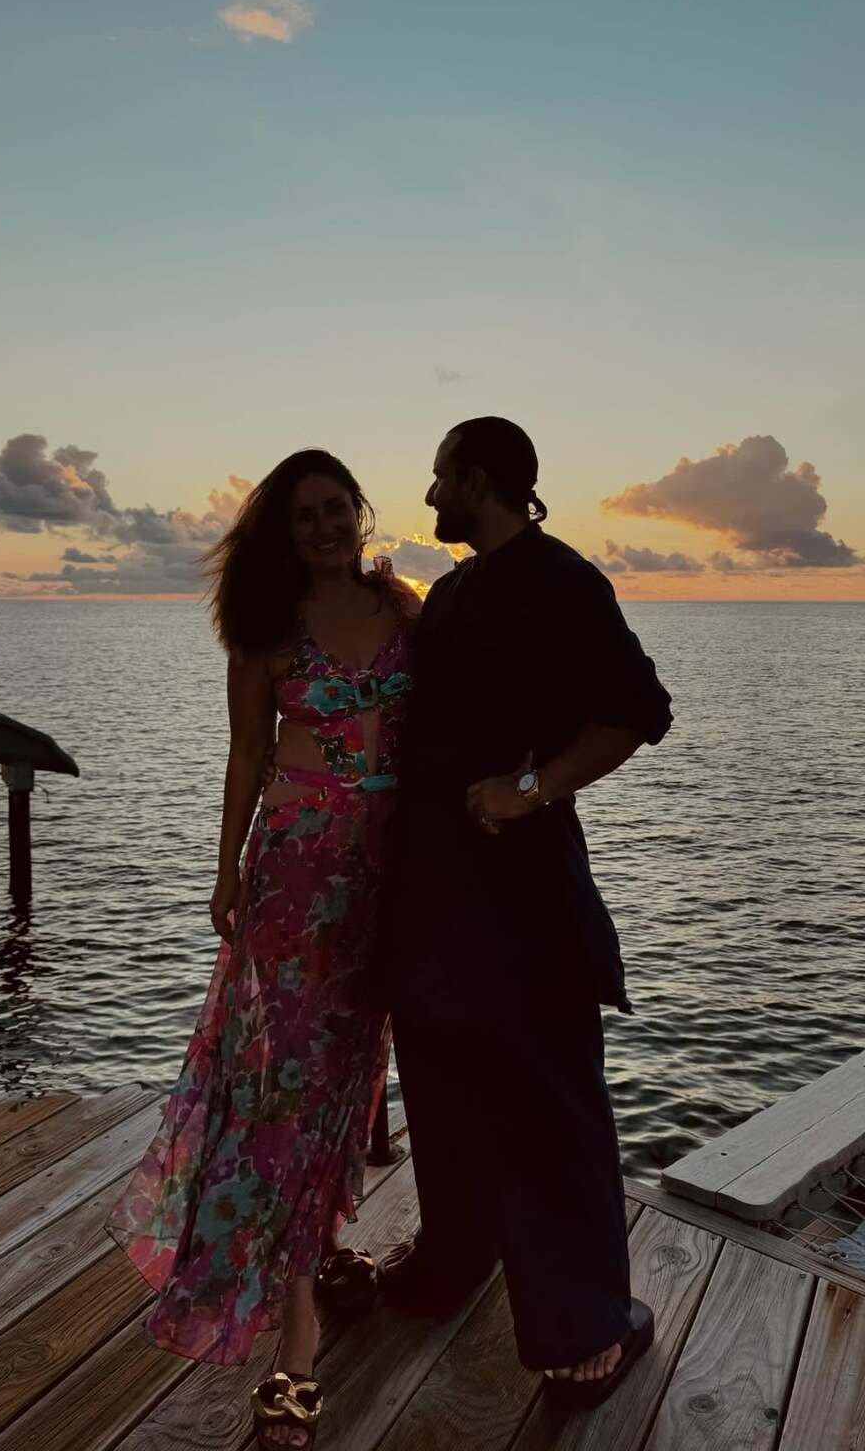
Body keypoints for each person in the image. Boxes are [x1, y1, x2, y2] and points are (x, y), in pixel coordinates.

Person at [106, 449, 417, 1449]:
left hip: (377, 888)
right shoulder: (266, 633)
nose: (324, 526)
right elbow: (246, 750)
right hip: (291, 883)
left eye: (335, 508)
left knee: (343, 1084)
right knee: (278, 1093)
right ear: (283, 535)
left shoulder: (402, 607)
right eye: (304, 517)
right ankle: (295, 1337)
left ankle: (314, 1246)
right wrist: (226, 870)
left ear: (359, 511)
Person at [374, 417, 672, 1409]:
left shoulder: (561, 580)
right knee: (443, 1081)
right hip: (427, 888)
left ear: (480, 478)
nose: (428, 501)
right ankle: (451, 1258)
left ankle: (582, 1322)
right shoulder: (453, 591)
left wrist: (530, 787)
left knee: (549, 1100)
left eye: (438, 481)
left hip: (518, 882)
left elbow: (634, 709)